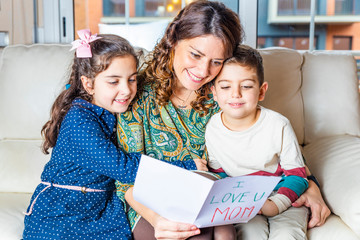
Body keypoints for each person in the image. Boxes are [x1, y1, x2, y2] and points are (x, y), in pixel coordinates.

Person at [116, 1, 330, 239]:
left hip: (209, 202)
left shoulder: (225, 92)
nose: (203, 70)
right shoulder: (136, 92)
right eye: (195, 54)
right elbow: (124, 177)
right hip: (150, 204)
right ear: (174, 40)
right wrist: (158, 221)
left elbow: (263, 142)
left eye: (216, 61)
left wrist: (310, 184)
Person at [22, 31, 144, 239]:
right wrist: (185, 166)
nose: (126, 90)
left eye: (131, 79)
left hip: (100, 210)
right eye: (114, 82)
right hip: (60, 212)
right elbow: (122, 167)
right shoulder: (79, 119)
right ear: (89, 84)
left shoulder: (113, 110)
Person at [206, 44, 310, 239]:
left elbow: (298, 175)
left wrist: (276, 204)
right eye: (226, 86)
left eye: (246, 86)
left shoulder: (278, 125)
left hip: (285, 198)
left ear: (261, 91)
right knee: (249, 235)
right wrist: (240, 204)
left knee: (288, 234)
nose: (235, 94)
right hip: (244, 206)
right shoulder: (212, 128)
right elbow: (218, 174)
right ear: (215, 93)